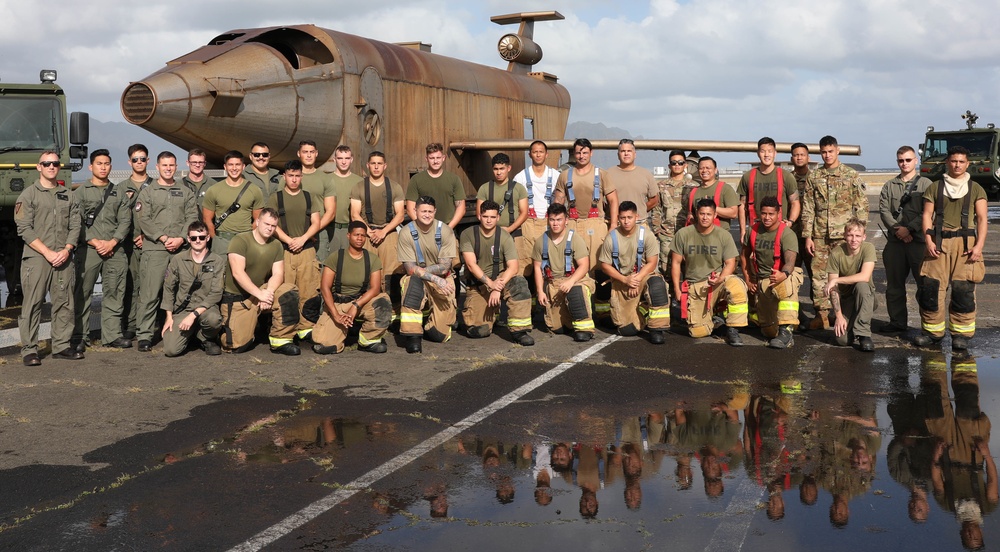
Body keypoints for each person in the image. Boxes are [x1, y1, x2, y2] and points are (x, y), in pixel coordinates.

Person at [914, 145, 988, 351]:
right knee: (930, 289)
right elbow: (927, 216)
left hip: (965, 245)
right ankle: (932, 333)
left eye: (961, 161)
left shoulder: (976, 189)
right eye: (953, 161)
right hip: (938, 242)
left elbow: (982, 220)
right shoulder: (935, 187)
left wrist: (979, 246)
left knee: (963, 291)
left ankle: (961, 335)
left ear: (967, 164)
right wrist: (928, 241)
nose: (957, 165)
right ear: (948, 162)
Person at [15, 151, 81, 365]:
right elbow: (24, 229)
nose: (52, 166)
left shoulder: (68, 194)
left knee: (64, 302)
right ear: (39, 167)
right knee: (33, 303)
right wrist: (48, 252)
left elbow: (75, 225)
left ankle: (61, 346)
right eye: (47, 163)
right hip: (37, 258)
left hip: (63, 257)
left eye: (55, 163)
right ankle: (29, 349)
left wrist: (67, 249)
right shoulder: (28, 195)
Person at [801, 135, 869, 330]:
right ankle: (821, 315)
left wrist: (858, 234)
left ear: (838, 151)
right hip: (820, 235)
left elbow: (862, 205)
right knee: (819, 275)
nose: (827, 155)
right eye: (823, 152)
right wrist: (808, 236)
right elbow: (808, 208)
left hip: (844, 236)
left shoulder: (850, 174)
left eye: (831, 151)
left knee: (847, 274)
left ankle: (846, 312)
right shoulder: (814, 176)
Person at [133, 152, 199, 351]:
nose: (168, 168)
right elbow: (144, 219)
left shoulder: (185, 191)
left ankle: (182, 333)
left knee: (182, 291)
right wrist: (163, 238)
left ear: (176, 166)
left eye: (171, 165)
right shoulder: (148, 192)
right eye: (164, 165)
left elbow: (191, 216)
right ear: (157, 167)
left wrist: (180, 238)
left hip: (181, 248)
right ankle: (145, 335)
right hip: (156, 249)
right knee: (150, 292)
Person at [72, 149, 132, 352]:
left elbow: (125, 220)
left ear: (111, 166)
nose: (103, 167)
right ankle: (80, 336)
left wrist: (113, 242)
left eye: (107, 163)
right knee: (83, 292)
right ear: (91, 166)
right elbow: (76, 222)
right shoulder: (81, 192)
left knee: (114, 291)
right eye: (99, 163)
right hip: (89, 250)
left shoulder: (118, 192)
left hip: (114, 250)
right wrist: (95, 241)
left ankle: (112, 335)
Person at [221, 208, 301, 355]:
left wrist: (268, 293)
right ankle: (247, 328)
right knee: (235, 346)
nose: (269, 228)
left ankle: (281, 340)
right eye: (266, 224)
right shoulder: (240, 240)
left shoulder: (276, 245)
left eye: (273, 226)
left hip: (261, 292)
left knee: (288, 290)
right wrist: (260, 294)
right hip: (239, 299)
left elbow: (278, 273)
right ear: (257, 222)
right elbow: (238, 273)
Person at [671, 198, 748, 346]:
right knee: (698, 332)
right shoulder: (683, 234)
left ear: (714, 216)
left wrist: (721, 278)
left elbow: (730, 263)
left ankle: (733, 328)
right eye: (702, 214)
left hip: (718, 281)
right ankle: (716, 322)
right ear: (696, 214)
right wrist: (677, 289)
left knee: (737, 286)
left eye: (708, 214)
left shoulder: (723, 235)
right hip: (696, 286)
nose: (705, 217)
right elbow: (676, 263)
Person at [311, 220, 392, 354]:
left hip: (360, 302)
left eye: (363, 235)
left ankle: (368, 340)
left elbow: (375, 288)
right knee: (324, 345)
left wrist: (355, 306)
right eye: (356, 235)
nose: (360, 238)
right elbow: (325, 287)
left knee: (383, 301)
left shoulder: (372, 259)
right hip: (339, 303)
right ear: (348, 236)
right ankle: (342, 330)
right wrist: (335, 314)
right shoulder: (336, 257)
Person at [460, 199, 534, 346]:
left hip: (500, 280)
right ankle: (490, 315)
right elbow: (471, 264)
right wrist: (490, 284)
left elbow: (513, 266)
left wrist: (497, 286)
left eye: (493, 217)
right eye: (486, 216)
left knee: (519, 283)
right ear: (479, 216)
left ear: (498, 218)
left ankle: (519, 331)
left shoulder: (505, 236)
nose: (489, 220)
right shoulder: (468, 234)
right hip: (479, 284)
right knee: (480, 331)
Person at [598, 201, 669, 343]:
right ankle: (643, 309)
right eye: (623, 218)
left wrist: (636, 280)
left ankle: (657, 329)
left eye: (629, 217)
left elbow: (652, 262)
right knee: (627, 330)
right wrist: (625, 280)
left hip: (642, 276)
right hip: (622, 280)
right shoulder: (611, 237)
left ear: (636, 217)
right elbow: (604, 265)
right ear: (618, 218)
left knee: (657, 284)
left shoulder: (646, 235)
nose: (626, 221)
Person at [878, 145, 932, 333]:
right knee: (894, 286)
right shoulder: (889, 186)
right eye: (901, 160)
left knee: (924, 285)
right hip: (895, 243)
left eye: (908, 160)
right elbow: (884, 211)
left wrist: (909, 229)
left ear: (915, 161)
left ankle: (929, 325)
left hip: (918, 242)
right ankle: (897, 322)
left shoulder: (926, 184)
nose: (904, 163)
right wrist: (897, 230)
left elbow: (928, 212)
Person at [267, 160, 322, 342]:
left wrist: (303, 238)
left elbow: (316, 222)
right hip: (284, 250)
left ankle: (306, 329)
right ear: (285, 176)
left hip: (306, 250)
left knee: (309, 290)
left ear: (301, 176)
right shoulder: (276, 197)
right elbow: (272, 225)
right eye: (290, 176)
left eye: (297, 176)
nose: (294, 179)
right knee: (285, 292)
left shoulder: (308, 197)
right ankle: (285, 330)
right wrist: (290, 240)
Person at [397, 196, 458, 353]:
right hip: (420, 279)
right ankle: (412, 336)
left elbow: (445, 267)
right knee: (412, 283)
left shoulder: (445, 231)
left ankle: (430, 324)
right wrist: (433, 277)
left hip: (443, 280)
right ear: (415, 211)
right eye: (423, 211)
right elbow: (410, 268)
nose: (427, 214)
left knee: (440, 336)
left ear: (435, 211)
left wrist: (436, 278)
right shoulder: (406, 232)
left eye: (430, 211)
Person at [740, 196, 802, 349]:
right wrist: (749, 280)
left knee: (785, 283)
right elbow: (743, 256)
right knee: (768, 331)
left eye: (771, 214)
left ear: (778, 214)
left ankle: (786, 329)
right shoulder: (752, 231)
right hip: (763, 280)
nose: (767, 217)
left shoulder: (786, 234)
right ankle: (776, 324)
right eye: (764, 213)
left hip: (783, 274)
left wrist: (784, 273)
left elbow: (790, 262)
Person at [553, 138, 618, 274]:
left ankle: (599, 295)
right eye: (578, 153)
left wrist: (613, 225)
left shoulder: (601, 174)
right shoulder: (564, 176)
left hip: (596, 225)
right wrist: (557, 224)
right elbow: (558, 203)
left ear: (591, 153)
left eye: (585, 153)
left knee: (599, 265)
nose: (581, 156)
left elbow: (613, 201)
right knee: (572, 264)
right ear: (574, 154)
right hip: (572, 224)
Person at [531, 203, 596, 342]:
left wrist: (571, 281)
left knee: (576, 291)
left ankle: (584, 329)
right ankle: (570, 319)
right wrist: (540, 292)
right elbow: (537, 268)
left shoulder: (574, 238)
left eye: (559, 219)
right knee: (557, 328)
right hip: (554, 284)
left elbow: (584, 266)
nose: (555, 223)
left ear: (566, 220)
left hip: (576, 279)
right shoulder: (541, 242)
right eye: (552, 220)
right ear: (548, 220)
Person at [160, 221, 224, 356]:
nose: (198, 241)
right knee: (171, 350)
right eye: (194, 238)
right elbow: (168, 288)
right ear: (188, 239)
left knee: (214, 319)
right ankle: (191, 335)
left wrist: (193, 315)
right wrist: (169, 317)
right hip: (184, 308)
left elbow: (216, 293)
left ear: (207, 238)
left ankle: (205, 337)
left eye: (201, 237)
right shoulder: (178, 259)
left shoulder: (217, 261)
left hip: (205, 308)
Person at [349, 151, 405, 291]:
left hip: (389, 233)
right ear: (368, 165)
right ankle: (368, 307)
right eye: (373, 163)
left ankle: (393, 307)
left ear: (385, 166)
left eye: (379, 163)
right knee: (367, 272)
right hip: (367, 234)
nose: (376, 167)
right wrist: (370, 232)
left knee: (392, 273)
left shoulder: (395, 187)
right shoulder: (358, 187)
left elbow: (400, 215)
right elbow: (354, 214)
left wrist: (383, 232)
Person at [823, 218, 877, 352]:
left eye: (858, 236)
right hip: (846, 299)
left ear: (864, 237)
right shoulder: (836, 253)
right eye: (850, 235)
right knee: (842, 340)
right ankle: (852, 325)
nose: (854, 239)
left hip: (866, 296)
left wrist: (837, 280)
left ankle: (864, 334)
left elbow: (864, 276)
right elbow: (833, 290)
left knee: (861, 285)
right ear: (844, 236)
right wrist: (839, 316)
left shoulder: (868, 248)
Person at [120, 144, 155, 340]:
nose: (139, 162)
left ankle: (149, 323)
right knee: (132, 285)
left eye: (143, 159)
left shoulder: (157, 185)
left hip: (151, 243)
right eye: (135, 159)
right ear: (129, 162)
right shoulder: (121, 188)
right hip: (130, 244)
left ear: (148, 161)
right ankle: (132, 324)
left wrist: (146, 235)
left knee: (151, 286)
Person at [202, 151, 265, 259]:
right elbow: (207, 220)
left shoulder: (255, 190)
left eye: (237, 164)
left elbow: (258, 220)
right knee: (220, 274)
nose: (234, 168)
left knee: (245, 274)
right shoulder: (213, 190)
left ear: (243, 166)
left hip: (245, 240)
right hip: (222, 241)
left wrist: (249, 236)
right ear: (225, 167)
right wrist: (215, 239)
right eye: (230, 165)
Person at [475, 153, 529, 276]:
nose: (498, 172)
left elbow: (524, 213)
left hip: (514, 233)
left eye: (502, 169)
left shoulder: (519, 188)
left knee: (517, 270)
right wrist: (494, 230)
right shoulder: (485, 188)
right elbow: (479, 213)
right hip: (491, 234)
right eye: (496, 169)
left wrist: (509, 229)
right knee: (493, 268)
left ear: (508, 168)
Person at [737, 137, 800, 241]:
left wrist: (790, 222)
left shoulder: (786, 176)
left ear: (775, 153)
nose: (766, 155)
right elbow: (742, 206)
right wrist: (743, 231)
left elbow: (795, 202)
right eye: (763, 151)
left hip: (779, 231)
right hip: (755, 231)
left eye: (770, 151)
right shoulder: (748, 177)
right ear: (758, 153)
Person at [512, 140, 559, 278]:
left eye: (541, 152)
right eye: (535, 152)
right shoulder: (520, 177)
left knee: (550, 258)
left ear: (546, 154)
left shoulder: (556, 175)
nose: (538, 155)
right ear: (529, 154)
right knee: (526, 260)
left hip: (549, 222)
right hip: (528, 222)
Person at [405, 143, 466, 229]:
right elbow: (410, 209)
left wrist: (448, 228)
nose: (435, 161)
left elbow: (461, 208)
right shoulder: (416, 180)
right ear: (426, 159)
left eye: (438, 158)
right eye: (432, 158)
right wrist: (423, 227)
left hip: (448, 227)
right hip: (424, 229)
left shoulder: (454, 179)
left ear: (443, 158)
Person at [296, 140, 338, 261]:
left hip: (319, 233)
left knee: (319, 269)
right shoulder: (290, 177)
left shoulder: (325, 179)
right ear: (299, 154)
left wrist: (311, 232)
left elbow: (331, 212)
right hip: (295, 232)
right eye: (305, 152)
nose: (309, 155)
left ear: (316, 153)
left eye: (312, 152)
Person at [604, 139, 658, 226]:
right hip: (615, 224)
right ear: (618, 155)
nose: (626, 154)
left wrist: (638, 210)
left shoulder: (646, 174)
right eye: (623, 151)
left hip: (639, 224)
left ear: (635, 154)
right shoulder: (607, 174)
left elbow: (654, 200)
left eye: (629, 151)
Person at [651, 150, 686, 275]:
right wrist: (657, 230)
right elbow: (656, 210)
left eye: (680, 162)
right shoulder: (661, 186)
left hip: (687, 234)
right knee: (666, 270)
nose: (677, 165)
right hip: (667, 235)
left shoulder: (693, 186)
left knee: (689, 270)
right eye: (674, 162)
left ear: (685, 165)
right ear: (669, 166)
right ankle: (670, 294)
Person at [683, 157, 739, 230]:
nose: (704, 170)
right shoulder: (693, 192)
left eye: (708, 168)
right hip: (698, 237)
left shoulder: (725, 188)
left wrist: (711, 208)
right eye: (701, 168)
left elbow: (733, 213)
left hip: (719, 238)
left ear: (715, 170)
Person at [329, 145, 363, 254]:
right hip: (331, 229)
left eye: (347, 158)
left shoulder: (360, 182)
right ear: (335, 160)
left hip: (351, 228)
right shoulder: (327, 180)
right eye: (340, 158)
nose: (344, 162)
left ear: (351, 159)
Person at [181, 148, 216, 214]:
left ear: (205, 163)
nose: (197, 165)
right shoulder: (179, 184)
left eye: (200, 162)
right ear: (188, 163)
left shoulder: (214, 185)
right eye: (194, 162)